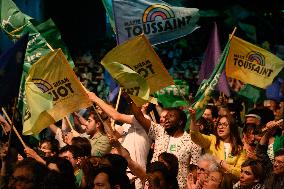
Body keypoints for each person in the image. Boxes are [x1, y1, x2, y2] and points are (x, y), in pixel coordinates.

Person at [126, 93, 201, 189]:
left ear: (180, 121)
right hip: (153, 185)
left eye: (171, 116)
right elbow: (140, 117)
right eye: (166, 117)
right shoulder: (159, 131)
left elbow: (194, 170)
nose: (166, 119)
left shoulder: (192, 141)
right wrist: (130, 100)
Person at [189, 108, 246, 180]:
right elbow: (195, 136)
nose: (221, 127)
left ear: (232, 127)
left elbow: (240, 172)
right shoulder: (212, 140)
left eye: (225, 124)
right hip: (209, 183)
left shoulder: (239, 149)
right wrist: (193, 118)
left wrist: (222, 163)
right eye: (219, 124)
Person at [256, 124, 284, 189]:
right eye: (275, 161)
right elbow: (260, 151)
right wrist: (269, 133)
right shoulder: (271, 172)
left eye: (279, 162)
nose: (275, 164)